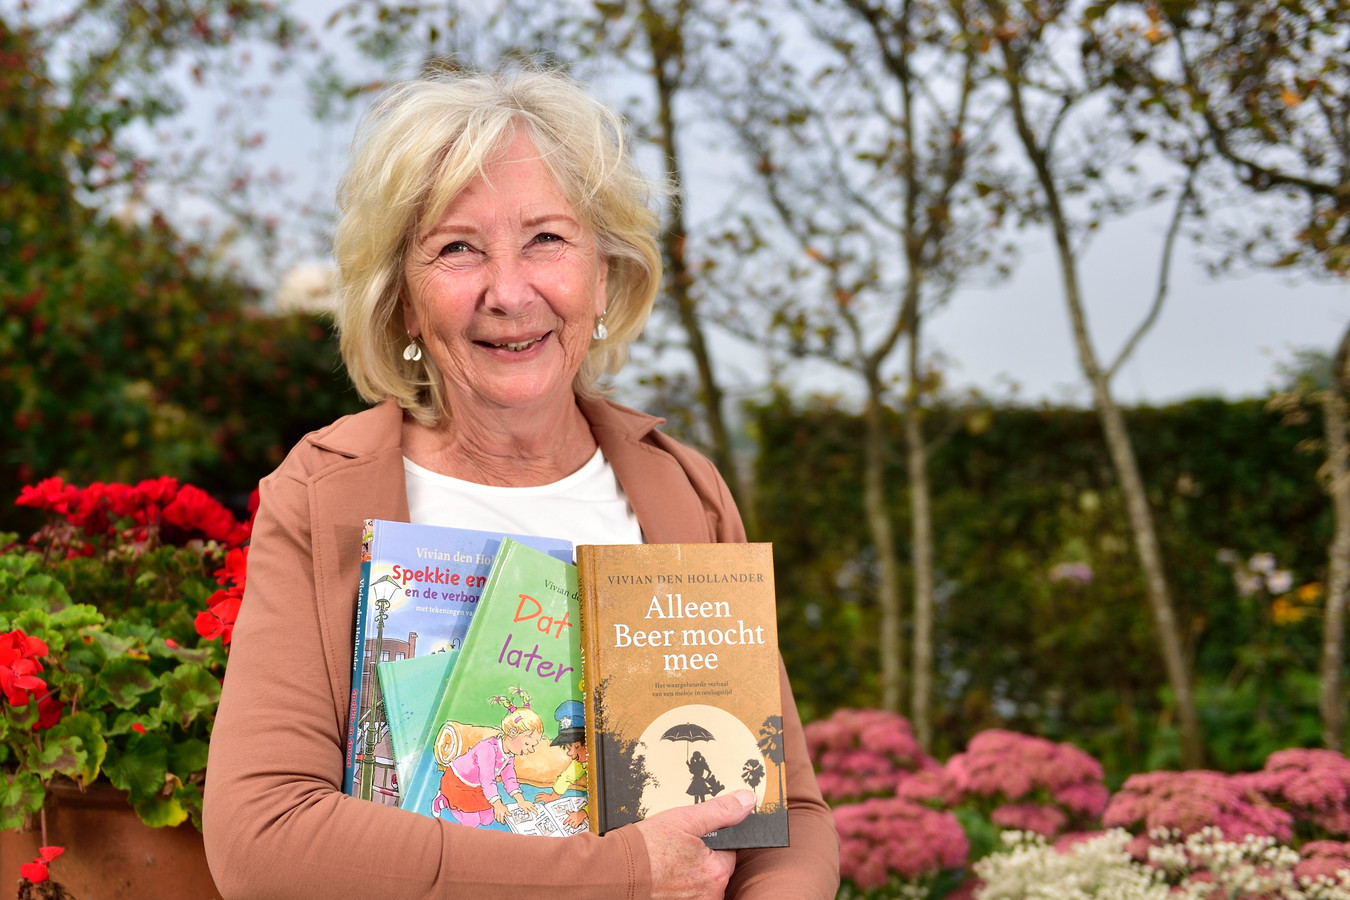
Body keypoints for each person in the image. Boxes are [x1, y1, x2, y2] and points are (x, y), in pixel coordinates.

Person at [202, 67, 839, 900]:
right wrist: (620, 876)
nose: (509, 293)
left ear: (603, 274)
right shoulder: (324, 494)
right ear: (400, 301)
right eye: (457, 248)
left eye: (547, 239)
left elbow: (786, 815)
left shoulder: (679, 488)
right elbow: (265, 839)